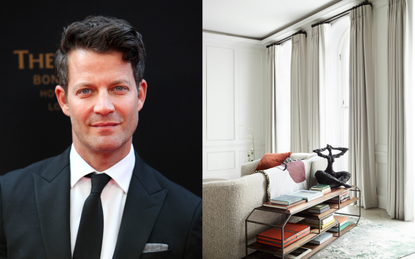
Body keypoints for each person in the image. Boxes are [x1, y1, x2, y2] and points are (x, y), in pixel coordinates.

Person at [0, 16, 201, 259]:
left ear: (140, 95)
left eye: (118, 88)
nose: (103, 107)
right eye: (86, 91)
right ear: (64, 100)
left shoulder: (188, 213)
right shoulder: (7, 196)